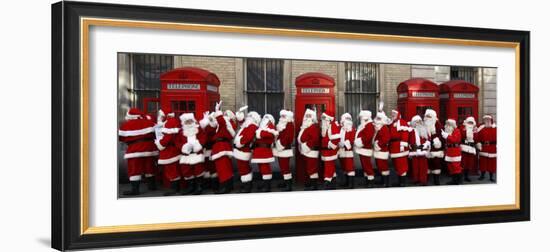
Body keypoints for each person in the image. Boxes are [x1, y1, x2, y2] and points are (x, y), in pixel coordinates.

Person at [118, 108, 159, 195]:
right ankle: (152, 186)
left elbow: (121, 138)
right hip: (149, 148)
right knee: (150, 167)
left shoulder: (125, 125)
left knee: (134, 169)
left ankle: (135, 190)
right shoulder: (149, 123)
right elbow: (157, 134)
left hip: (134, 149)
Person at [177, 113, 207, 195]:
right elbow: (177, 142)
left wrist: (198, 145)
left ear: (193, 121)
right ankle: (191, 187)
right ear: (184, 122)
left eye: (190, 121)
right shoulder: (181, 132)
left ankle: (199, 187)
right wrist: (184, 147)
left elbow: (203, 138)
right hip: (186, 154)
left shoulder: (198, 129)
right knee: (186, 170)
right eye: (187, 121)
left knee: (199, 169)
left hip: (197, 153)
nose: (189, 123)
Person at [210, 101, 236, 194]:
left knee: (223, 168)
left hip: (222, 147)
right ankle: (229, 186)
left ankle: (224, 187)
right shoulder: (226, 124)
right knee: (225, 167)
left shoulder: (227, 124)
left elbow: (221, 121)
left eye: (226, 114)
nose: (224, 115)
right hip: (222, 146)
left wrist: (217, 111)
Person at [154, 112, 182, 196]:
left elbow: (167, 138)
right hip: (175, 150)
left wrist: (159, 143)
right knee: (174, 169)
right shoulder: (172, 121)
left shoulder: (169, 123)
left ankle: (174, 189)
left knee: (171, 170)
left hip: (169, 151)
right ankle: (176, 188)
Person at [233, 111, 261, 193]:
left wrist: (239, 143)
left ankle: (247, 186)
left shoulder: (252, 126)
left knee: (243, 168)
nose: (247, 117)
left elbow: (248, 137)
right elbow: (242, 123)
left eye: (249, 116)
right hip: (241, 150)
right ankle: (246, 183)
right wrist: (240, 115)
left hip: (243, 150)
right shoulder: (248, 125)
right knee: (244, 167)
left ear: (253, 118)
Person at [251, 114, 278, 192]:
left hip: (265, 150)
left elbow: (271, 135)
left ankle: (267, 186)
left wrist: (259, 133)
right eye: (264, 118)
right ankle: (264, 183)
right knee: (261, 168)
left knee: (265, 168)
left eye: (267, 118)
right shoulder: (261, 127)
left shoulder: (271, 126)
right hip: (259, 150)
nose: (264, 119)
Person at [298, 108, 321, 190]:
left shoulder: (313, 126)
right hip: (306, 151)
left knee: (312, 168)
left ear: (312, 118)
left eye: (309, 116)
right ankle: (310, 183)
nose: (307, 118)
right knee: (308, 168)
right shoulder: (304, 127)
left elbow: (315, 139)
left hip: (311, 151)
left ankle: (314, 186)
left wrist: (306, 146)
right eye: (306, 116)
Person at [273, 109, 295, 191]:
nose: (282, 117)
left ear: (288, 117)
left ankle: (289, 185)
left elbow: (288, 137)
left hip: (284, 148)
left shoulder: (289, 124)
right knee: (282, 167)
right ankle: (285, 181)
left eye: (284, 116)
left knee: (285, 167)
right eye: (281, 116)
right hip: (280, 149)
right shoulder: (280, 124)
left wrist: (280, 144)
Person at [354, 110, 376, 188]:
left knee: (367, 165)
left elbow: (367, 137)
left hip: (365, 148)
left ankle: (371, 180)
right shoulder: (364, 125)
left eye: (361, 117)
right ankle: (367, 180)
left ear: (365, 117)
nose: (360, 119)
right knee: (364, 165)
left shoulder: (369, 125)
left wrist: (358, 142)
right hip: (362, 148)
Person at [389, 110, 411, 187]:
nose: (392, 115)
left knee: (402, 165)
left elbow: (405, 134)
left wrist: (403, 145)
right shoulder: (391, 123)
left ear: (398, 114)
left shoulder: (402, 122)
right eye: (392, 114)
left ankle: (402, 183)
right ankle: (400, 182)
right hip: (393, 147)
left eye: (394, 114)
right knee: (396, 165)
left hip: (400, 147)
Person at [320, 110, 340, 190]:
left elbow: (336, 138)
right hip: (325, 151)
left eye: (324, 118)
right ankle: (333, 182)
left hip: (330, 150)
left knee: (328, 166)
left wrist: (330, 145)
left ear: (329, 119)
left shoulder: (333, 125)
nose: (323, 120)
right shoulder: (325, 126)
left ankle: (327, 181)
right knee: (330, 166)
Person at [199, 111, 218, 191]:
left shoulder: (211, 128)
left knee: (211, 166)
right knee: (207, 166)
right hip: (206, 149)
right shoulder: (204, 128)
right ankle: (210, 184)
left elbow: (207, 138)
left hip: (211, 148)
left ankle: (213, 184)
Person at [408, 115, 430, 186]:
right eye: (416, 122)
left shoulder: (425, 129)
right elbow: (409, 140)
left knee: (423, 166)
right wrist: (410, 147)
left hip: (423, 150)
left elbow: (428, 139)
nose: (418, 123)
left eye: (419, 121)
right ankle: (416, 179)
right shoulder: (411, 130)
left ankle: (423, 180)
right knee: (415, 166)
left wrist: (426, 145)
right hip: (414, 150)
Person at [424, 109, 444, 185]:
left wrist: (438, 141)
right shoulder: (424, 124)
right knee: (427, 164)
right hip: (427, 147)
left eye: (429, 116)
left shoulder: (438, 124)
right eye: (427, 116)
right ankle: (426, 179)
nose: (427, 118)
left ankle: (436, 179)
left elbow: (442, 135)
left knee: (436, 163)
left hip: (436, 148)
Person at [441, 118, 463, 185]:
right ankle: (454, 180)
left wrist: (447, 136)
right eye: (447, 124)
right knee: (451, 167)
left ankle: (458, 180)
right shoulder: (447, 132)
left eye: (449, 124)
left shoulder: (457, 130)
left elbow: (455, 140)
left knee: (456, 167)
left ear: (453, 125)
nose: (447, 125)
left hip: (455, 151)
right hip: (449, 151)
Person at [373, 110, 391, 187]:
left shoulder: (384, 128)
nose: (377, 120)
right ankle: (382, 180)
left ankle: (385, 182)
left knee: (383, 166)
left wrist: (378, 145)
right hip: (378, 150)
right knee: (379, 165)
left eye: (379, 119)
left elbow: (386, 139)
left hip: (382, 150)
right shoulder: (378, 128)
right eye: (377, 118)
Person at [476, 115, 497, 182]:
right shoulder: (481, 128)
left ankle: (491, 177)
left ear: (491, 120)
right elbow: (477, 137)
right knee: (483, 163)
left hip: (492, 147)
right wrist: (478, 143)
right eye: (486, 120)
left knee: (492, 163)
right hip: (484, 148)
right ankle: (482, 175)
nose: (487, 121)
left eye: (488, 120)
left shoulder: (495, 128)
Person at [338, 113, 356, 189]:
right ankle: (346, 182)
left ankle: (351, 184)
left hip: (348, 151)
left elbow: (352, 140)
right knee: (344, 167)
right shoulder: (341, 129)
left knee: (350, 167)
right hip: (341, 150)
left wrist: (344, 144)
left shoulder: (352, 129)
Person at [460, 116, 478, 182]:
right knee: (463, 162)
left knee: (469, 163)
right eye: (469, 122)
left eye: (471, 122)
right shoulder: (463, 128)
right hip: (464, 147)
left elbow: (476, 139)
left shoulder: (475, 129)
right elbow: (461, 136)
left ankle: (466, 176)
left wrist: (475, 132)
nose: (470, 124)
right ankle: (461, 176)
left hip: (471, 148)